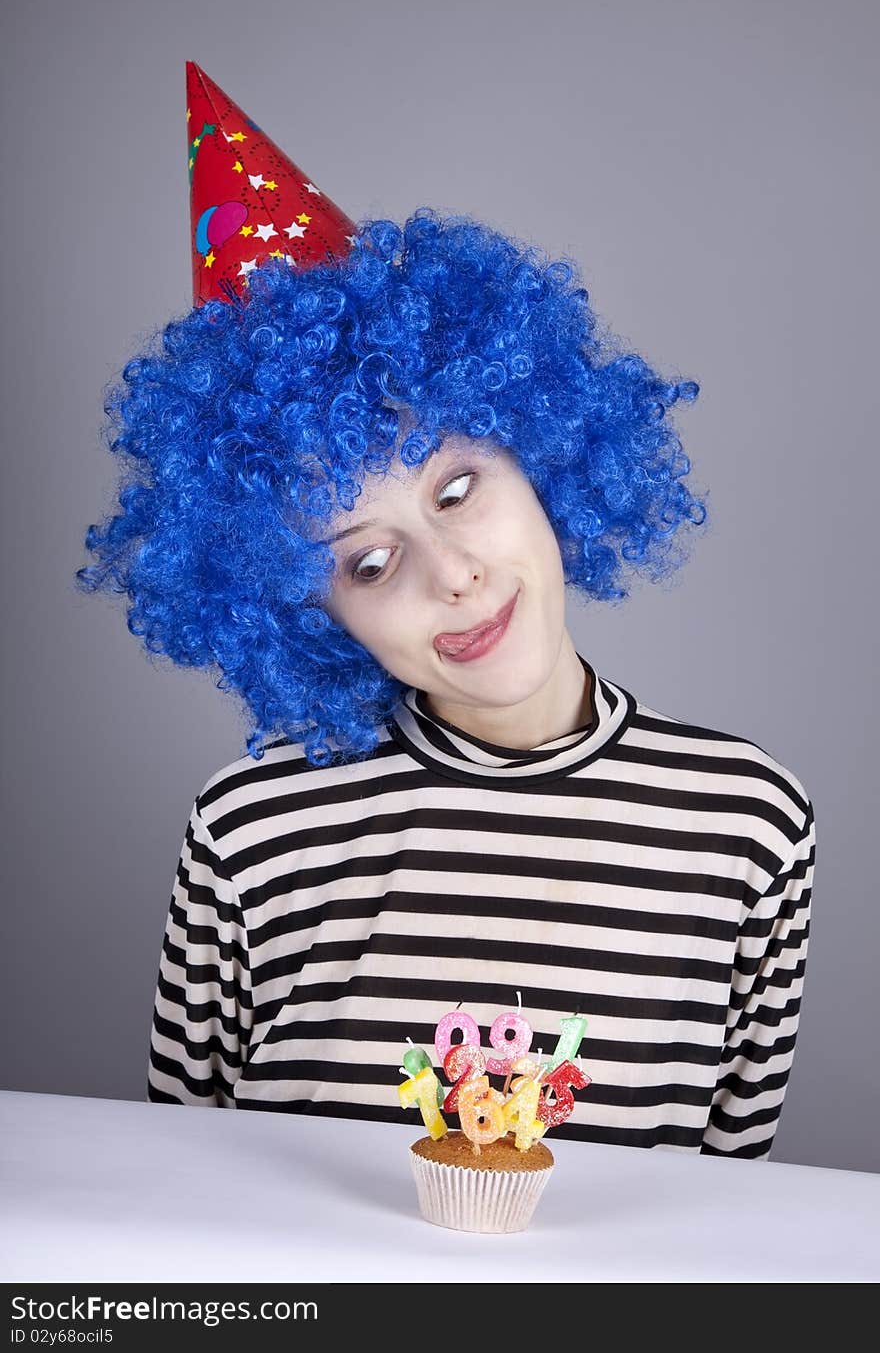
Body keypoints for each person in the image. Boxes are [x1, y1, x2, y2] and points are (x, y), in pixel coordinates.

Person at [77, 66, 815, 1158]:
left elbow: (732, 1199)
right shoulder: (251, 831)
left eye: (458, 491)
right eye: (369, 562)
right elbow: (180, 1174)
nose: (452, 576)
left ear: (550, 456)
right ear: (310, 611)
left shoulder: (746, 822)